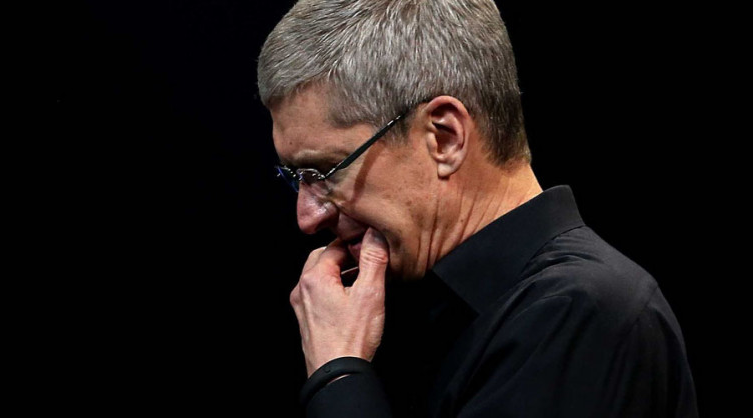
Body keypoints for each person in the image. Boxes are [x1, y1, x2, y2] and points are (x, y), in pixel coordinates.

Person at [257, 0, 698, 416]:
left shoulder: (584, 313)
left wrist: (337, 375)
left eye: (326, 171)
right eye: (296, 177)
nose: (307, 217)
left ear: (444, 138)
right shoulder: (398, 307)